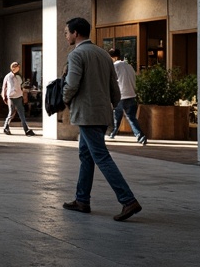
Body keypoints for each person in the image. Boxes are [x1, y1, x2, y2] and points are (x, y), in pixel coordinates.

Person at [61, 17, 142, 221]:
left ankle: (128, 200)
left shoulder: (76, 55)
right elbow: (114, 88)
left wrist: (64, 100)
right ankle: (82, 200)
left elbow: (71, 84)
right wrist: (113, 108)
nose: (66, 36)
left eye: (67, 32)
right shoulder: (104, 55)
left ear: (76, 33)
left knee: (101, 156)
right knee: (86, 155)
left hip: (86, 114)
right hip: (101, 113)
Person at [108, 49, 147, 145]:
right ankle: (140, 136)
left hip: (121, 95)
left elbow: (111, 81)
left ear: (115, 57)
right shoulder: (130, 66)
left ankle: (113, 133)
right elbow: (134, 80)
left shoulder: (115, 66)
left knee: (116, 116)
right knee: (131, 117)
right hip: (131, 95)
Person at [2, 61, 34, 136]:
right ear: (13, 68)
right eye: (17, 66)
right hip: (11, 97)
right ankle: (5, 127)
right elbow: (5, 86)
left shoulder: (18, 76)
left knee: (21, 113)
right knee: (11, 113)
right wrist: (5, 96)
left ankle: (26, 129)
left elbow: (20, 86)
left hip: (19, 96)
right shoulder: (8, 76)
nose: (18, 68)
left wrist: (23, 94)